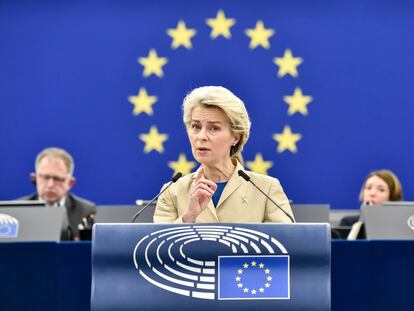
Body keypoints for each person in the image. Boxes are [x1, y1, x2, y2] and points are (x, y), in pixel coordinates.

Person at [154, 86, 294, 223]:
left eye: (214, 128)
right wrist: (189, 216)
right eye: (196, 126)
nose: (201, 136)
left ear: (236, 137)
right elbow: (158, 245)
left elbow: (287, 243)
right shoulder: (171, 192)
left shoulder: (266, 189)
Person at [20, 147, 96, 240]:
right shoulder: (17, 210)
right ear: (35, 178)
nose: (50, 185)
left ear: (70, 183)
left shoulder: (86, 212)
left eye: (57, 179)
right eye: (45, 177)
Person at [340, 169, 403, 239]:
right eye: (368, 188)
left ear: (392, 197)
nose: (372, 193)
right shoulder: (349, 223)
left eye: (381, 190)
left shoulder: (400, 226)